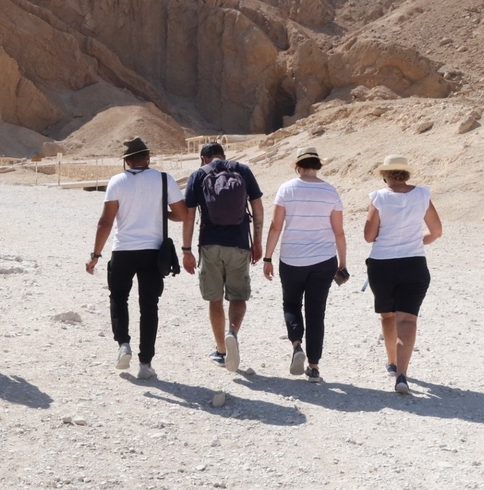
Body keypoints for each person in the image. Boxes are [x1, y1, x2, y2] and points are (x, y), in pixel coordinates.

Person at [86, 137, 187, 380]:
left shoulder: (117, 181)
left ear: (127, 161)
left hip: (123, 250)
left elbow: (106, 222)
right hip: (153, 251)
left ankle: (123, 344)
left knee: (118, 297)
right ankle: (145, 363)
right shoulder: (164, 179)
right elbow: (182, 214)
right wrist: (160, 212)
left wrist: (95, 255)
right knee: (149, 305)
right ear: (148, 156)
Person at [262, 146, 348, 382]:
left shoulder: (286, 189)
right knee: (316, 311)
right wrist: (342, 263)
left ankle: (297, 344)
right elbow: (339, 232)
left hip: (292, 259)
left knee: (291, 304)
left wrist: (268, 258)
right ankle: (314, 366)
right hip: (324, 260)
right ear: (317, 165)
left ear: (298, 166)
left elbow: (276, 227)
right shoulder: (331, 191)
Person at [364, 154, 442, 395]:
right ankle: (402, 375)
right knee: (408, 320)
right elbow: (436, 232)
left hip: (382, 265)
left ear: (385, 175)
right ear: (406, 174)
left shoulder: (379, 198)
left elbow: (369, 236)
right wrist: (415, 242)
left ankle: (391, 361)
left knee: (388, 316)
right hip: (413, 263)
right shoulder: (422, 195)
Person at [181, 141, 263, 372]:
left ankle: (221, 351)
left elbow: (189, 216)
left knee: (214, 298)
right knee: (238, 296)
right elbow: (258, 208)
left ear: (203, 158)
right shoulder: (243, 170)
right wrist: (257, 242)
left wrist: (186, 250)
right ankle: (232, 333)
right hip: (239, 244)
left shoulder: (198, 175)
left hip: (210, 245)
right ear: (224, 156)